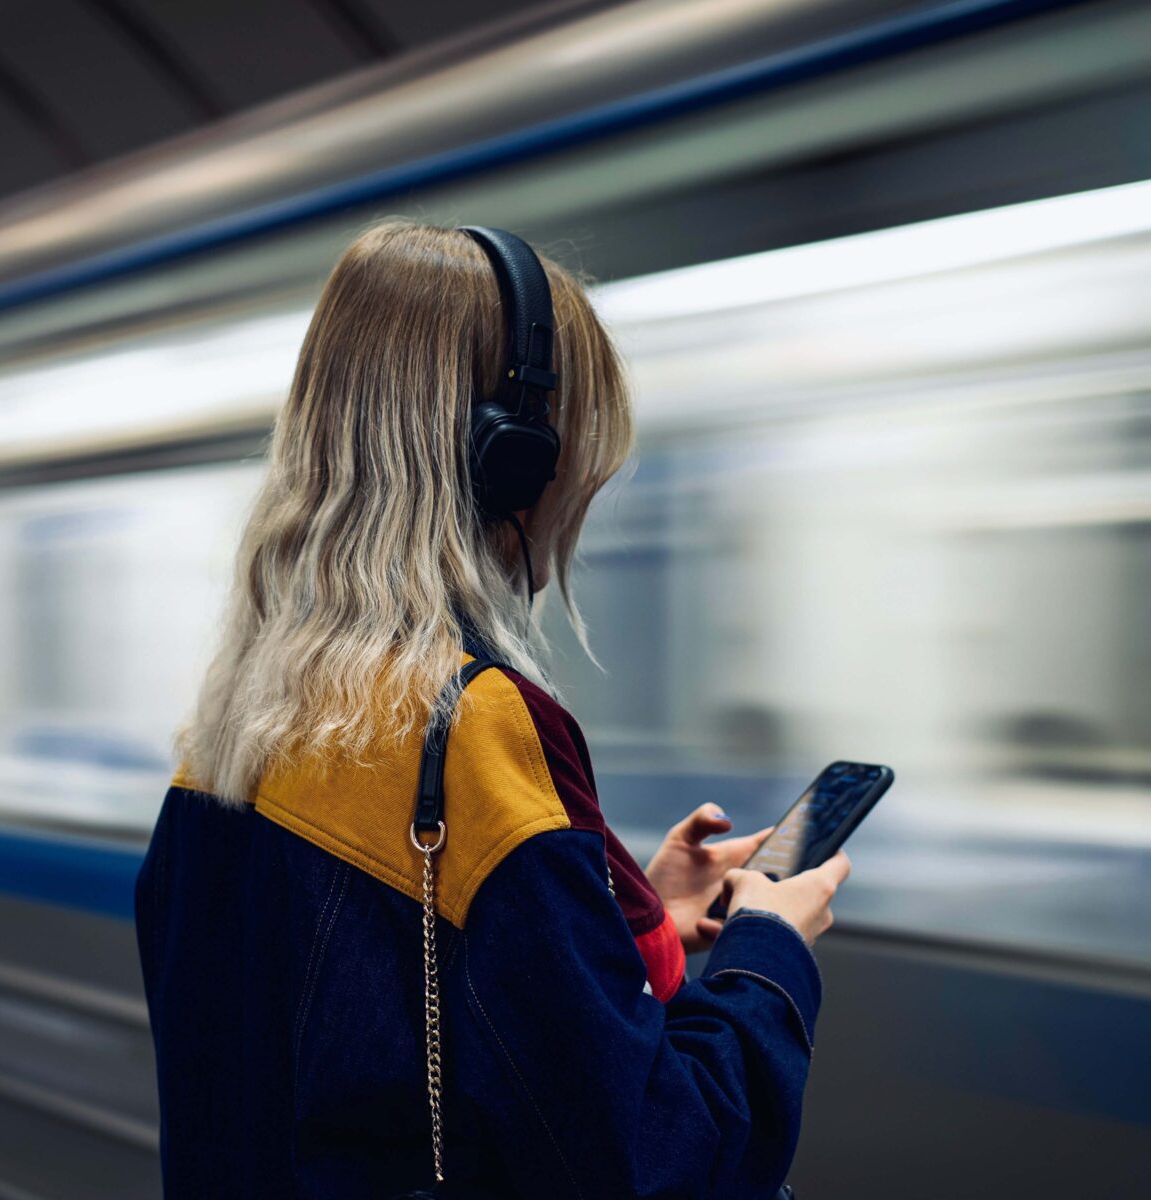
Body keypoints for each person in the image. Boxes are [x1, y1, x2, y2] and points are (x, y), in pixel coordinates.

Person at [133, 220, 850, 1200]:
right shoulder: (467, 731)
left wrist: (632, 914)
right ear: (507, 458)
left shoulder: (230, 734)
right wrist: (768, 951)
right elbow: (654, 1160)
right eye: (576, 453)